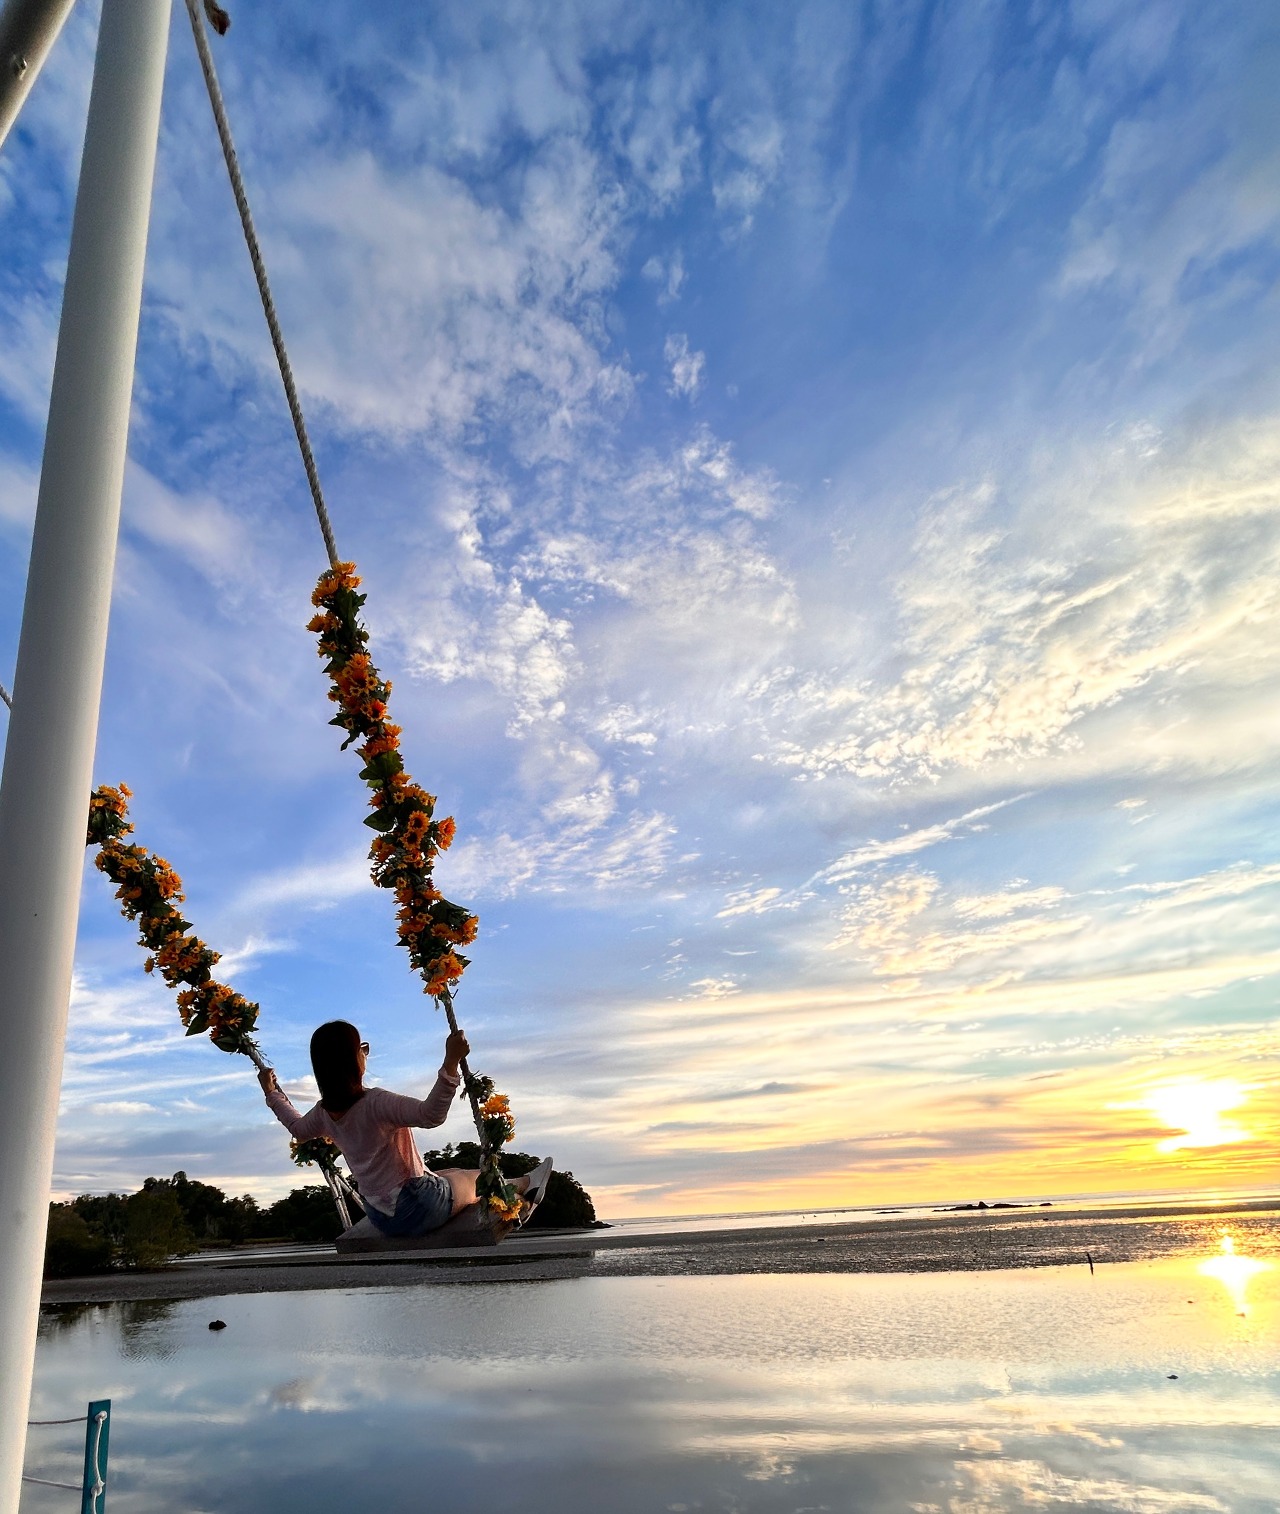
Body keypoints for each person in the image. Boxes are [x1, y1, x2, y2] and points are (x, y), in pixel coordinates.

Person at [258, 1019, 550, 1237]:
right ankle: (526, 1184)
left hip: (380, 1216)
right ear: (351, 1060)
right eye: (362, 1049)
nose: (365, 1054)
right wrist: (451, 1061)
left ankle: (519, 1185)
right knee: (478, 1178)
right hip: (419, 1206)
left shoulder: (324, 1113)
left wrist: (272, 1094)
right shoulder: (376, 1103)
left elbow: (297, 1128)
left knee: (447, 1174)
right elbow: (431, 1115)